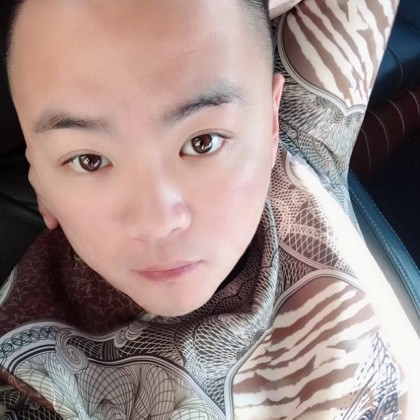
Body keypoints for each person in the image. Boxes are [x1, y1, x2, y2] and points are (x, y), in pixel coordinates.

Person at [0, 0, 419, 418]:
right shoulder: (30, 378)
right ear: (40, 180)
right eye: (88, 160)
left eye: (203, 143)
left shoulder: (298, 143)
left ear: (270, 124)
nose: (157, 221)